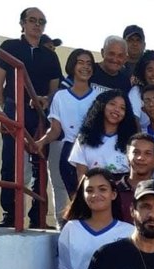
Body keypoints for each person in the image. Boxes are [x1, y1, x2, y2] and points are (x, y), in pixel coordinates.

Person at [0, 6, 62, 227]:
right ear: (22, 23)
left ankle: (37, 216)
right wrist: (10, 108)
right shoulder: (9, 47)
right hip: (15, 110)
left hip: (40, 115)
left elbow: (55, 89)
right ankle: (10, 214)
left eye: (42, 21)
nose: (37, 25)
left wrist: (45, 101)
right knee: (10, 163)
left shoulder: (50, 56)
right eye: (33, 20)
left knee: (40, 163)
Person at [35, 49, 100, 197]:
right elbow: (55, 130)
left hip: (92, 150)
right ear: (72, 66)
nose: (85, 67)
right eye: (81, 63)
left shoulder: (99, 98)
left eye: (89, 64)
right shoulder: (60, 96)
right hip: (69, 151)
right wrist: (41, 142)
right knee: (75, 199)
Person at [68, 89, 137, 180]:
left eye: (122, 108)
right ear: (101, 106)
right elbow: (82, 177)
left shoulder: (132, 141)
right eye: (112, 104)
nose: (117, 110)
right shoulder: (84, 138)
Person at [116, 133, 154, 222]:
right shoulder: (113, 190)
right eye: (136, 152)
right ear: (127, 156)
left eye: (148, 153)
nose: (141, 158)